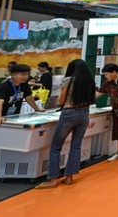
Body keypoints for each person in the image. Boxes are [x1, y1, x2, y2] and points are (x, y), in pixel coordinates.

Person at [35, 60, 95, 189]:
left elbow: (61, 100)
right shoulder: (90, 81)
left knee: (56, 147)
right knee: (76, 147)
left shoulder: (68, 80)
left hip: (69, 113)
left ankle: (53, 179)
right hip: (84, 113)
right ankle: (69, 178)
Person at [0, 64, 44, 182]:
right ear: (13, 75)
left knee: (7, 146)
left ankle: (5, 170)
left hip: (11, 120)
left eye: (26, 74)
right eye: (22, 74)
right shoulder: (4, 87)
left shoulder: (24, 86)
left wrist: (37, 109)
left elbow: (29, 97)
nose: (25, 77)